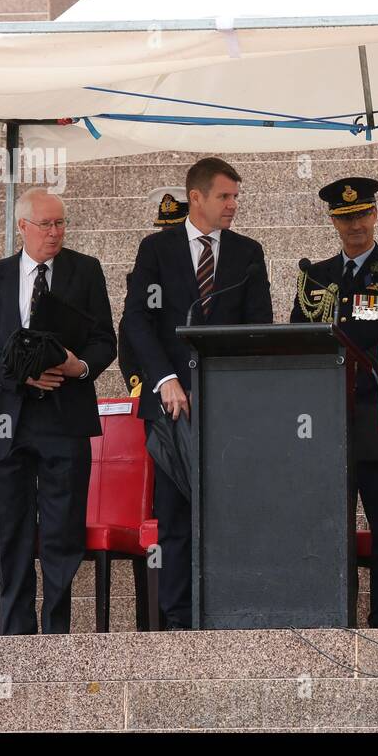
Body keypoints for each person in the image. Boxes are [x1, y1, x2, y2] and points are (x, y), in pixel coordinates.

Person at [0, 186, 116, 635]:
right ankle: (15, 636)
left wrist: (77, 366)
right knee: (12, 533)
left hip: (64, 420)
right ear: (21, 226)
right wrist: (20, 372)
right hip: (6, 421)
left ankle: (57, 632)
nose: (55, 232)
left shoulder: (85, 272)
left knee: (64, 533)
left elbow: (105, 339)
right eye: (45, 224)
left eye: (61, 222)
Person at [122, 157, 273, 629]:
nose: (232, 205)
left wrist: (238, 393)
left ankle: (229, 611)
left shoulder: (248, 253)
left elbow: (259, 328)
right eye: (224, 196)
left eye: (235, 197)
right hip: (171, 407)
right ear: (197, 197)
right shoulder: (156, 249)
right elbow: (137, 321)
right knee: (175, 516)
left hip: (228, 409)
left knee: (232, 512)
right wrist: (165, 380)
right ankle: (176, 621)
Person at [290, 176, 378, 627]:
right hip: (326, 419)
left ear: (376, 215)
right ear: (333, 221)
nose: (355, 225)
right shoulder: (316, 277)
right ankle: (329, 614)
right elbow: (297, 342)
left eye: (361, 214)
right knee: (326, 527)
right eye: (345, 217)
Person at [117, 186, 189, 396]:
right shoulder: (149, 274)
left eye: (174, 231)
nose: (169, 239)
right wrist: (139, 382)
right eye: (165, 231)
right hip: (159, 384)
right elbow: (132, 327)